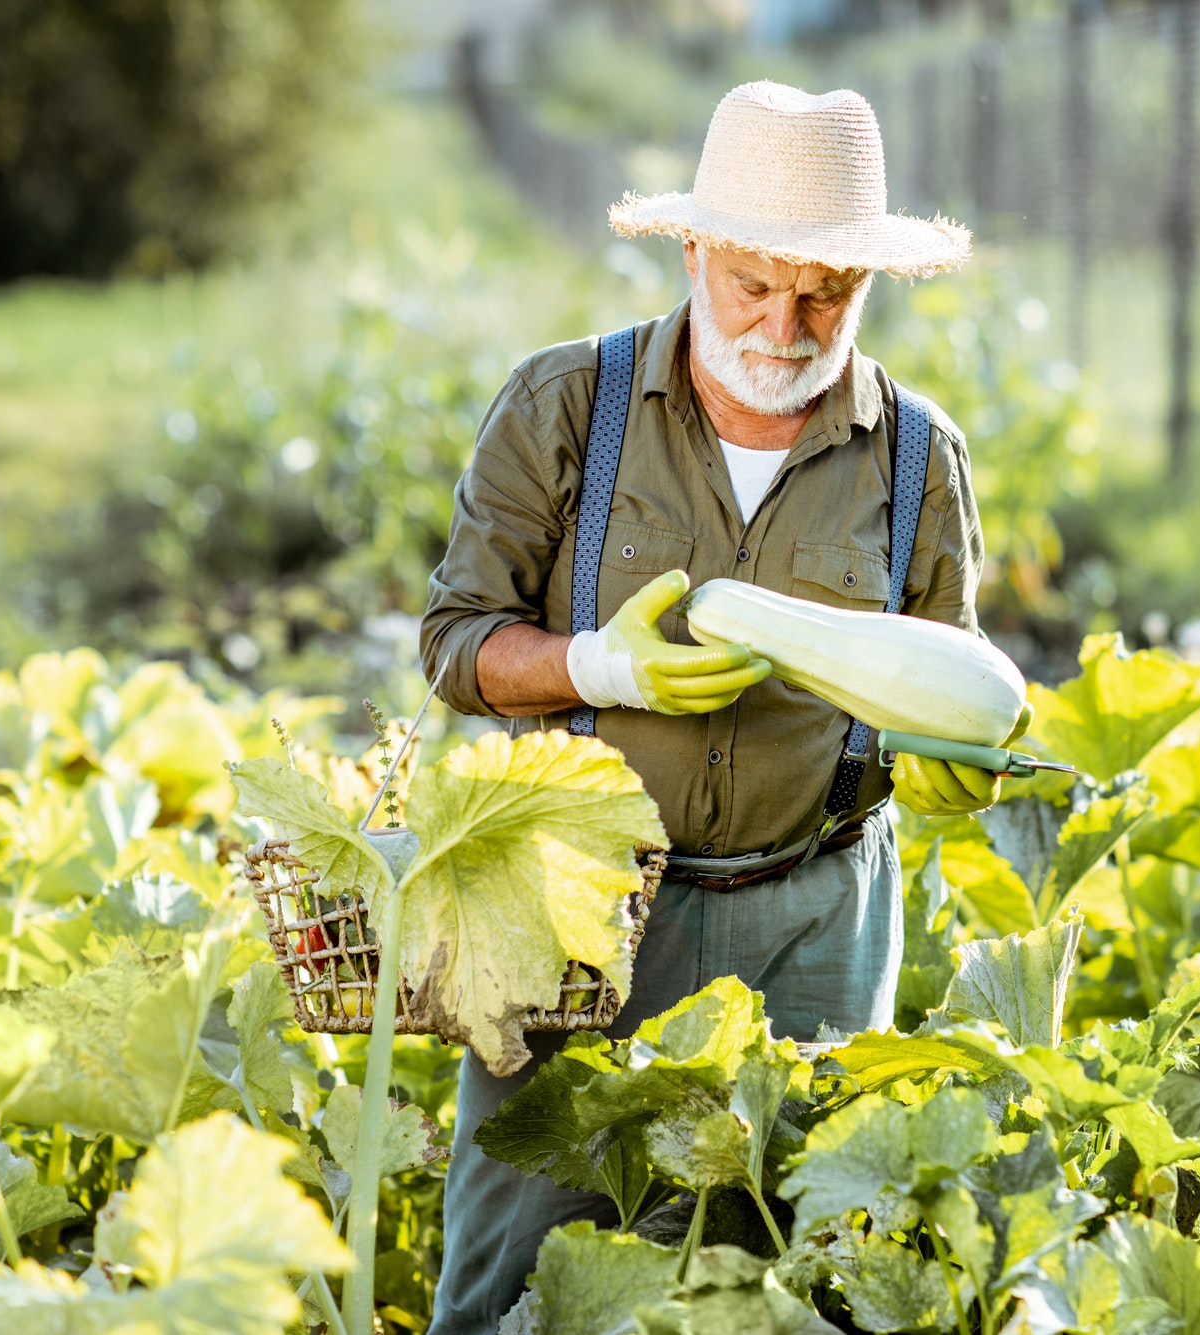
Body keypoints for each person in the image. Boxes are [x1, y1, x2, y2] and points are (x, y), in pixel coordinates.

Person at [419, 79, 1009, 1335]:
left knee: (794, 1279)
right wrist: (598, 670)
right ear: (694, 250)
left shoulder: (917, 454)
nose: (786, 324)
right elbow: (454, 643)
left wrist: (953, 765)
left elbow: (943, 680)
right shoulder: (562, 406)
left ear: (868, 282)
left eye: (825, 293)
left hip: (818, 915)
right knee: (517, 1274)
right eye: (751, 284)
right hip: (577, 912)